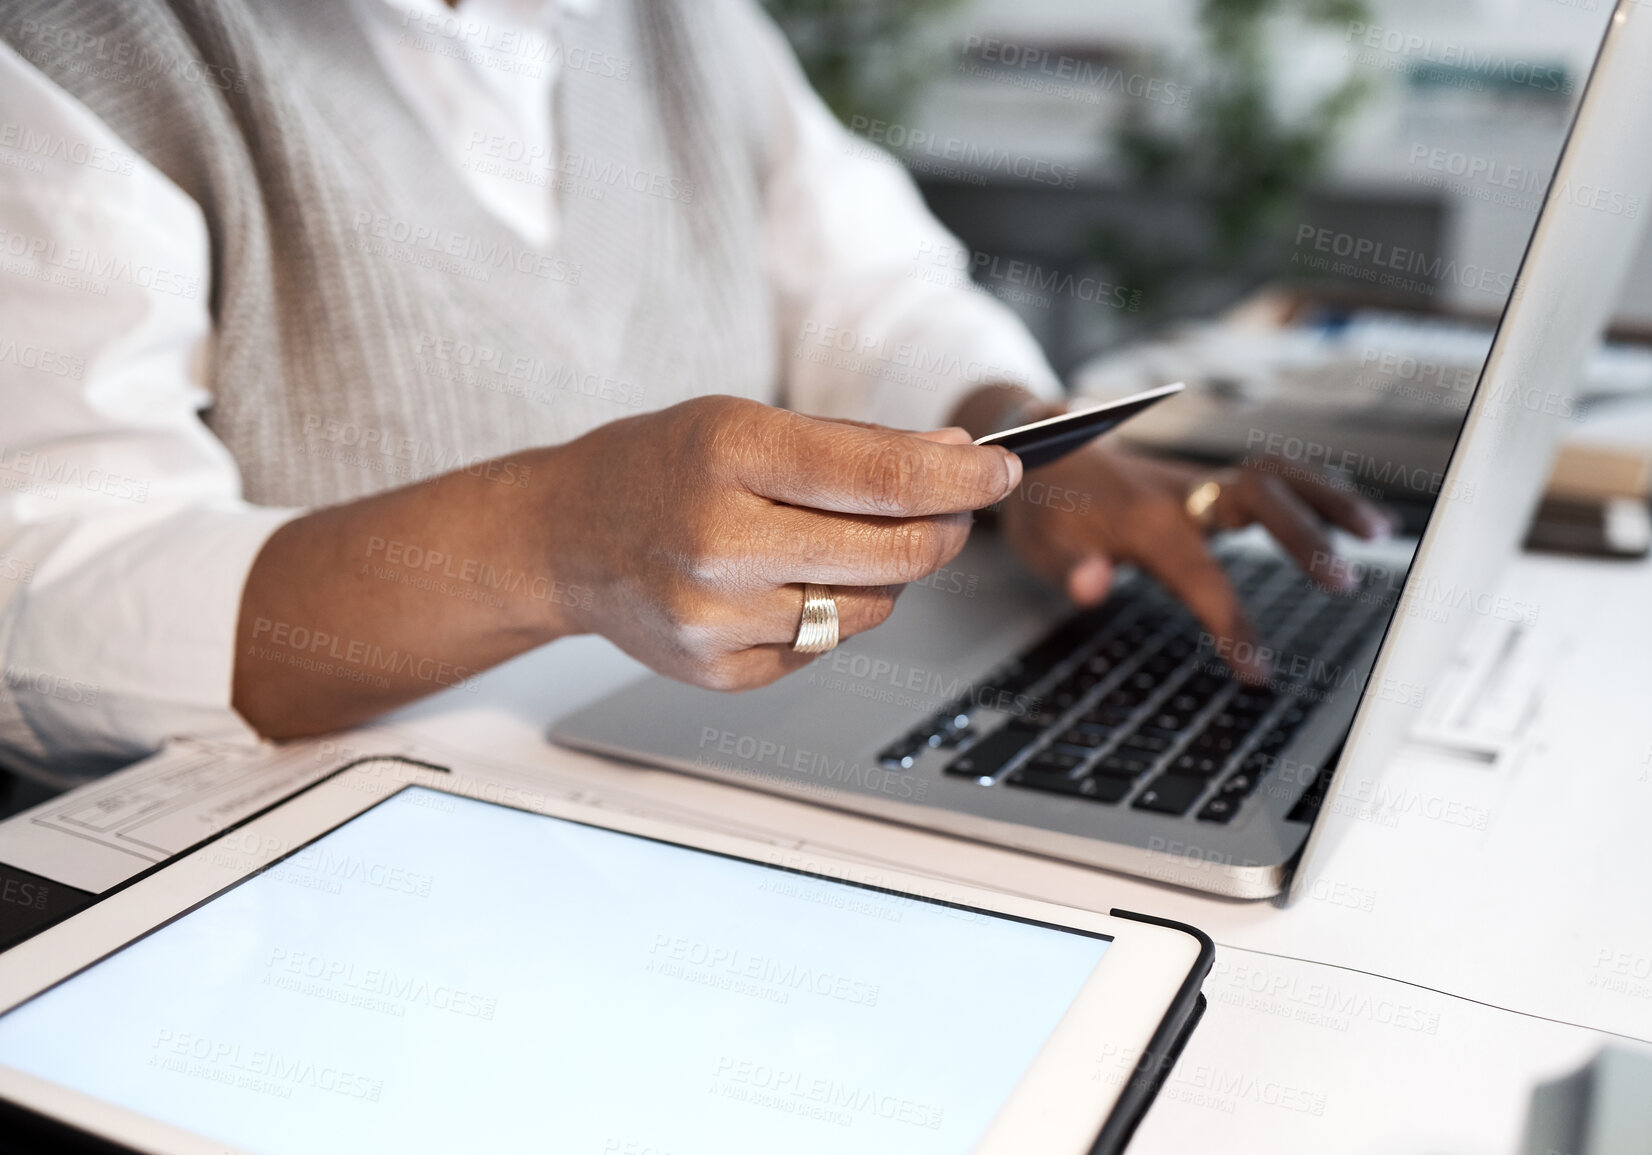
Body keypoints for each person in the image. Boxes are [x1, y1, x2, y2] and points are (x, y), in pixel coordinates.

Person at [0, 0, 1392, 781]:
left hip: (679, 794)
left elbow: (868, 292)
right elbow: (44, 589)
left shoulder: (681, 21)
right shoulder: (76, 48)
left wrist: (1021, 441)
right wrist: (550, 541)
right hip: (304, 888)